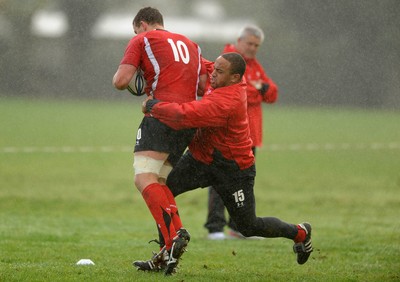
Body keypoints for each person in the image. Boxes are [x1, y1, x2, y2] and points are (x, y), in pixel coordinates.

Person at [137, 52, 313, 273]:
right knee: (162, 190)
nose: (213, 74)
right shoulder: (221, 74)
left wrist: (154, 105)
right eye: (216, 68)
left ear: (234, 78)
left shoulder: (228, 101)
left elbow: (186, 115)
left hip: (233, 170)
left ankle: (300, 233)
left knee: (248, 226)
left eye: (219, 72)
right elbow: (200, 63)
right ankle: (166, 254)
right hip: (200, 159)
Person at [112, 7, 206, 275]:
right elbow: (201, 87)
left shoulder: (141, 39)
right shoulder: (192, 44)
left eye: (135, 31)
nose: (136, 35)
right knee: (160, 180)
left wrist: (132, 76)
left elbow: (121, 81)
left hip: (162, 115)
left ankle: (174, 237)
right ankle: (169, 250)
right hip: (189, 120)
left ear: (142, 25)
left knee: (143, 179)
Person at [205, 25, 279, 240]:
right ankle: (215, 227)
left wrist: (259, 88)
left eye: (257, 45)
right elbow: (237, 93)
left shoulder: (254, 65)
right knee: (219, 178)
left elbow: (272, 94)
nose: (253, 48)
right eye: (250, 43)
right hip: (227, 134)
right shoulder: (226, 61)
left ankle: (238, 227)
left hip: (250, 135)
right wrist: (257, 89)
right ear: (239, 40)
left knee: (243, 183)